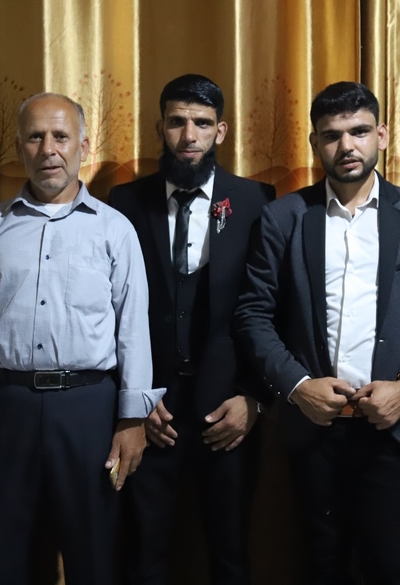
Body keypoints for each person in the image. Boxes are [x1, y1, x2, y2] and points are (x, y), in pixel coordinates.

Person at [0, 92, 163, 585]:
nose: (48, 149)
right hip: (2, 408)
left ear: (83, 146)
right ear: (19, 147)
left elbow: (133, 327)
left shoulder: (115, 229)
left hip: (88, 409)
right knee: (2, 554)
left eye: (61, 136)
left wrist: (132, 418)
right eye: (35, 137)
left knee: (93, 554)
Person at [233, 81, 400, 584]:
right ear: (315, 143)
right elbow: (253, 315)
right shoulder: (284, 217)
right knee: (321, 566)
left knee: (391, 569)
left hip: (394, 426)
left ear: (382, 135)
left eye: (359, 132)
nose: (347, 146)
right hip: (315, 428)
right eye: (332, 135)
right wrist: (297, 386)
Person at [108, 74, 275, 585]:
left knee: (230, 552)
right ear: (160, 128)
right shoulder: (123, 201)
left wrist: (254, 398)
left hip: (228, 411)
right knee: (144, 553)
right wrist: (133, 401)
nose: (189, 136)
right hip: (150, 410)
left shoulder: (257, 200)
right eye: (177, 122)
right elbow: (109, 310)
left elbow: (273, 309)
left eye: (202, 123)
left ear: (220, 131)